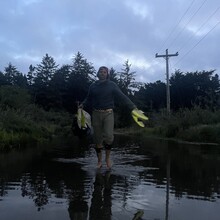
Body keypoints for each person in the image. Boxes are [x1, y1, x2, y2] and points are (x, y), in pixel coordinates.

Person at [81, 66, 137, 169]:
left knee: (109, 137)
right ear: (98, 74)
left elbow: (122, 96)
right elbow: (88, 99)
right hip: (96, 114)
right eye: (101, 71)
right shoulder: (93, 86)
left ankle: (107, 158)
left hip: (108, 113)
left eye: (105, 72)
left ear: (107, 75)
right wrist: (82, 105)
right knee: (97, 139)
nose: (102, 73)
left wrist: (133, 107)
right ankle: (99, 161)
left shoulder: (112, 85)